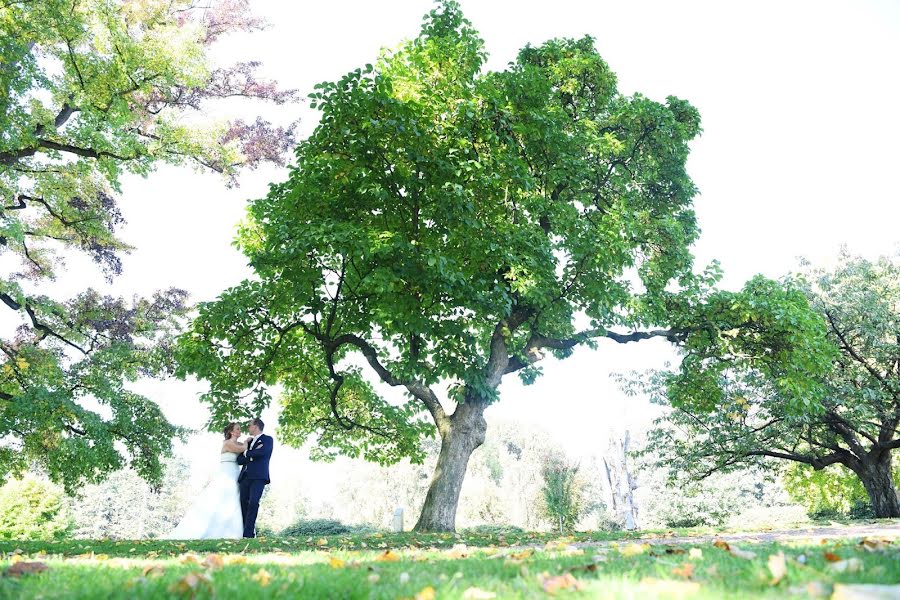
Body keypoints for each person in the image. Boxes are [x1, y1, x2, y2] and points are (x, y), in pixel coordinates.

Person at [164, 422, 246, 539]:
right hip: (227, 471)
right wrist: (248, 441)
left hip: (236, 472)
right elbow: (242, 449)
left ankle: (233, 530)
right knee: (222, 497)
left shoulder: (238, 443)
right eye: (237, 429)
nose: (240, 431)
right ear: (231, 432)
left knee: (234, 499)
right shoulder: (228, 444)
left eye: (240, 429)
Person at [236, 417, 273, 538]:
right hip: (245, 477)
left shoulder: (267, 439)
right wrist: (250, 453)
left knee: (253, 503)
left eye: (250, 425)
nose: (248, 427)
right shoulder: (248, 442)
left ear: (256, 426)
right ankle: (246, 531)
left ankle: (248, 534)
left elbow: (263, 453)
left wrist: (248, 453)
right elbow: (240, 459)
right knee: (243, 503)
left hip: (258, 477)